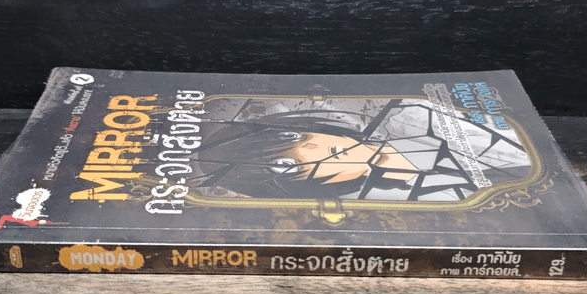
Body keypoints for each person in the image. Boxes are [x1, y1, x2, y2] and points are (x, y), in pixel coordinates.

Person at [189, 98, 533, 204]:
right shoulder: (396, 205)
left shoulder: (415, 116)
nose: (313, 149)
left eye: (295, 136)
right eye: (286, 165)